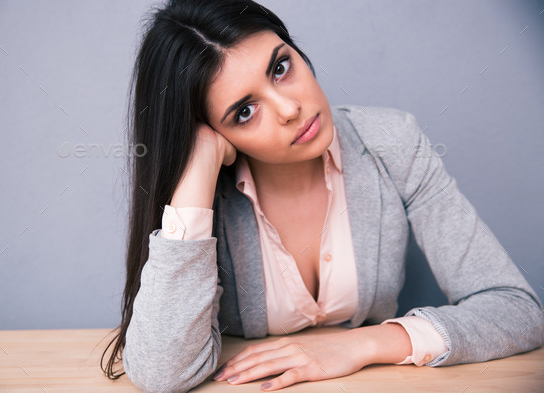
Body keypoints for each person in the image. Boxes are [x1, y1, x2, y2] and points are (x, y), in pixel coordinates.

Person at [100, 0, 544, 392]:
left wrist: (365, 343)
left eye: (280, 67)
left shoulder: (392, 142)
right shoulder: (204, 193)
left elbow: (516, 308)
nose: (290, 108)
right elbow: (161, 373)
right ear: (213, 132)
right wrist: (196, 170)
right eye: (245, 111)